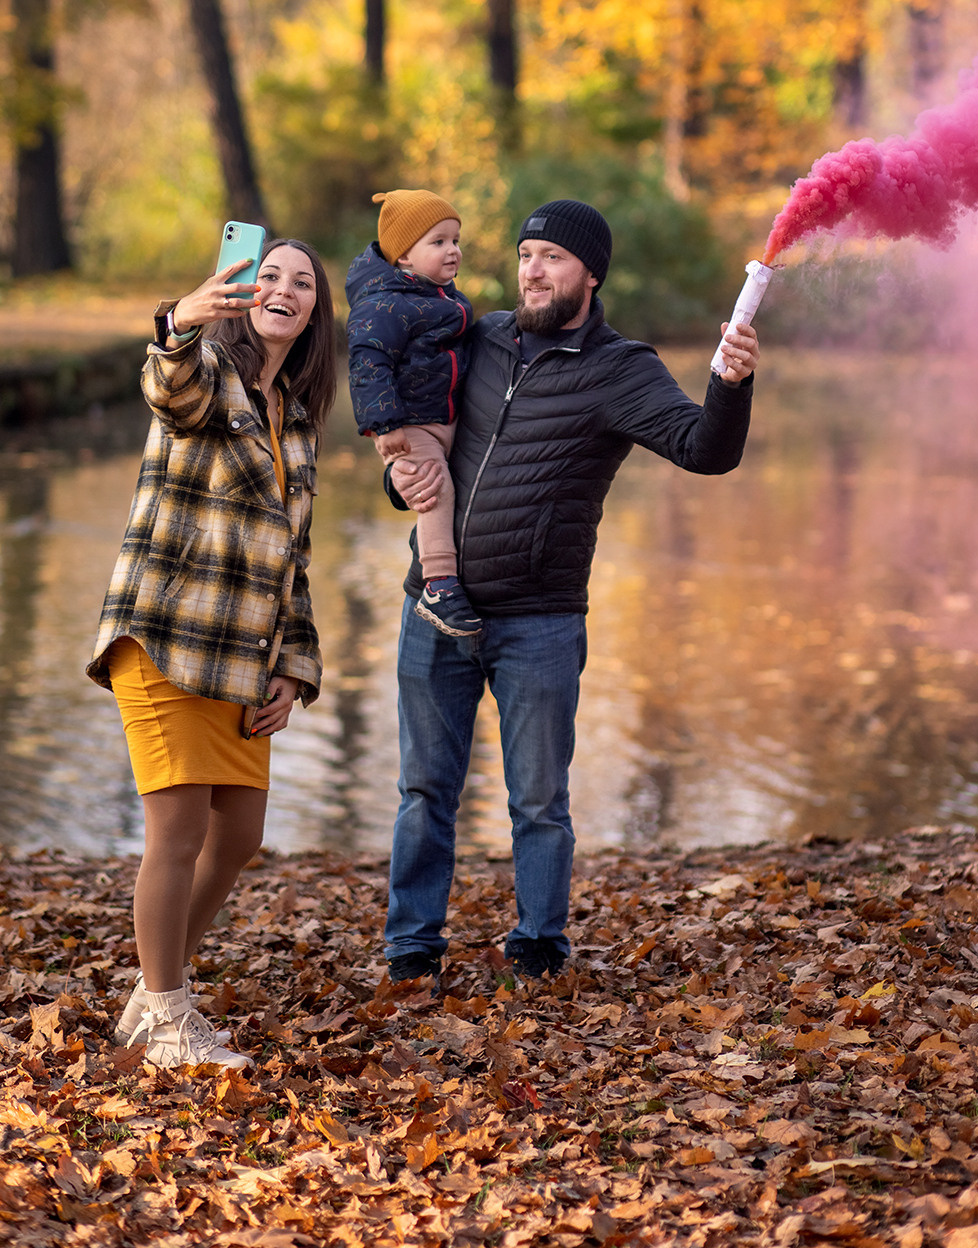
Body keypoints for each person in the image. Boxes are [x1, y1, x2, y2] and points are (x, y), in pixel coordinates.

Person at [383, 198, 759, 983]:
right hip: (436, 605)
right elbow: (421, 434)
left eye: (552, 257)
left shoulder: (621, 369)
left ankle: (538, 946)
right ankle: (412, 949)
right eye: (526, 255)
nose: (533, 270)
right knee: (424, 792)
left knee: (539, 802)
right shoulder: (477, 336)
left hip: (540, 622)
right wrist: (400, 475)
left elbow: (706, 451)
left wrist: (730, 382)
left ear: (591, 274)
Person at [87, 237, 336, 1066]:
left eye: (302, 283)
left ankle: (154, 990)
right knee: (180, 832)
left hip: (239, 657)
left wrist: (296, 666)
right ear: (243, 294)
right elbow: (170, 388)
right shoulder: (207, 377)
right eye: (269, 275)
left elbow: (290, 559)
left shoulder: (296, 422)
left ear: (313, 313)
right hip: (165, 634)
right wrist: (173, 325)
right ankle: (164, 1013)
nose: (284, 289)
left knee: (241, 836)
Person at [346, 188, 477, 637]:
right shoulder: (384, 302)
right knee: (433, 491)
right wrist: (383, 425)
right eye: (438, 242)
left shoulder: (438, 296)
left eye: (455, 240)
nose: (453, 251)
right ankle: (439, 583)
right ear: (403, 256)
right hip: (408, 424)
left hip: (445, 416)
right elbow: (368, 361)